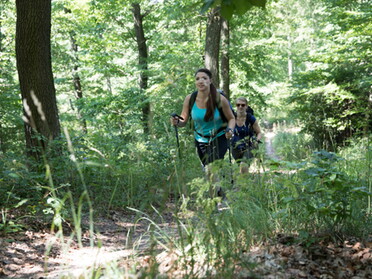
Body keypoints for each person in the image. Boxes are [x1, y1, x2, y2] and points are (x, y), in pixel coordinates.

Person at [170, 68, 235, 193]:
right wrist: (177, 122)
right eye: (197, 79)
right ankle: (219, 191)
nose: (201, 81)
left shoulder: (219, 99)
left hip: (219, 137)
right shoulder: (190, 98)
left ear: (210, 81)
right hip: (200, 139)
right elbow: (183, 120)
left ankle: (214, 201)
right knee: (208, 170)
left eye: (204, 78)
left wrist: (230, 130)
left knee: (211, 168)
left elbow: (231, 118)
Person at [231, 97, 262, 174]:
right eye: (238, 105)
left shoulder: (250, 118)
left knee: (244, 165)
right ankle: (244, 182)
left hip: (249, 145)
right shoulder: (232, 118)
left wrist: (256, 140)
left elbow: (259, 133)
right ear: (236, 106)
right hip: (235, 147)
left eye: (243, 105)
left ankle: (243, 185)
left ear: (246, 106)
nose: (240, 107)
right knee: (241, 167)